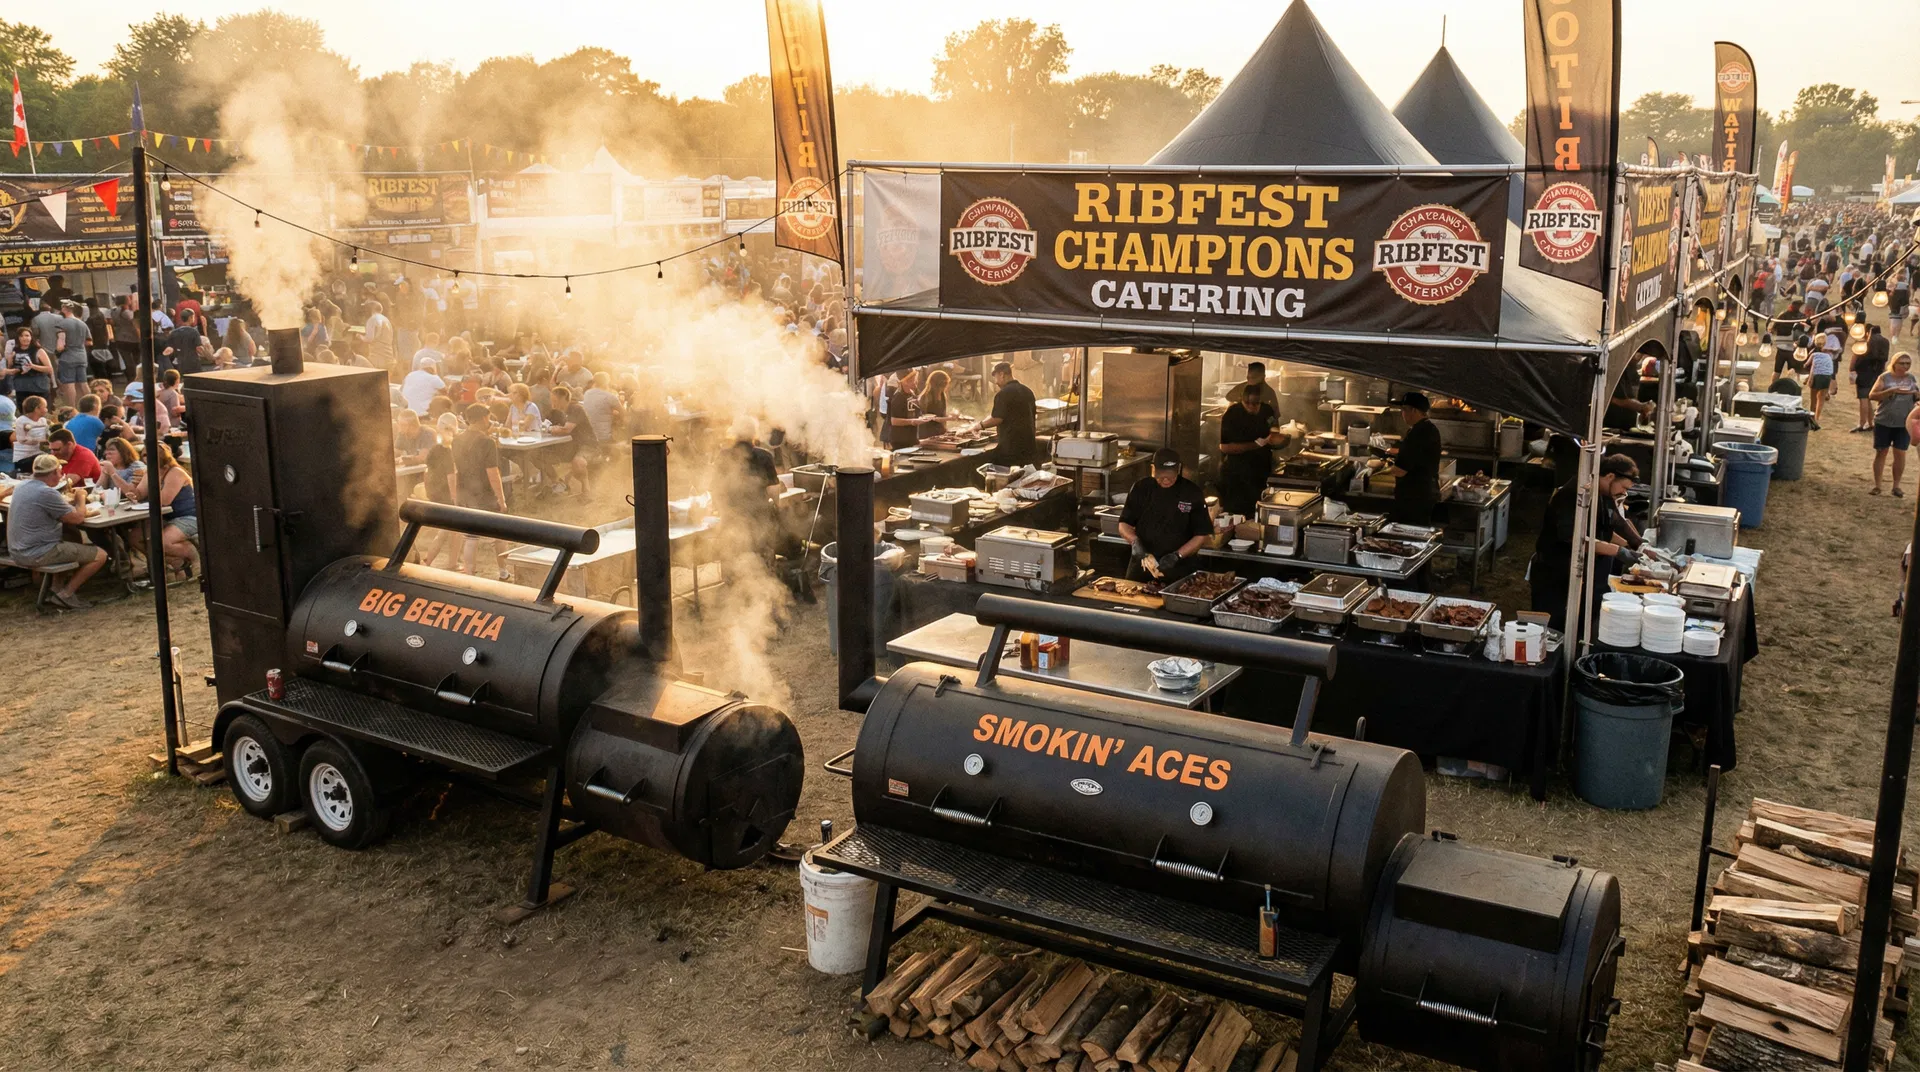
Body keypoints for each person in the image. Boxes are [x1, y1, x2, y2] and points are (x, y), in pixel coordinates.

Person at [1529, 453, 1641, 630]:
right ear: (1610, 476)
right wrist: (1618, 551)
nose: (1624, 492)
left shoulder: (1603, 493)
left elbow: (1612, 524)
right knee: (1551, 628)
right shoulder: (1574, 494)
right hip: (1554, 571)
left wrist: (1637, 544)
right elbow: (1575, 538)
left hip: (1580, 571)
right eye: (1623, 487)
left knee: (1579, 626)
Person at [5, 453, 108, 608]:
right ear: (54, 473)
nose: (61, 475)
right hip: (36, 553)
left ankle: (56, 587)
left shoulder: (22, 486)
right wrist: (80, 497)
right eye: (60, 471)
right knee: (100, 555)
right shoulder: (46, 492)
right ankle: (65, 595)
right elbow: (77, 518)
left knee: (71, 536)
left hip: (18, 549)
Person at [1117, 449, 1212, 583]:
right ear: (1153, 469)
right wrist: (1135, 542)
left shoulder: (1192, 493)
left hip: (1180, 567)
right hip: (1142, 564)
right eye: (1161, 475)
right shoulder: (1141, 488)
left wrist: (1177, 555)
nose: (1166, 479)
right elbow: (1124, 523)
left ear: (1178, 469)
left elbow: (1201, 535)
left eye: (1171, 475)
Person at [1369, 392, 1443, 525]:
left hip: (1414, 498)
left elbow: (1400, 470)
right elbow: (1415, 455)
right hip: (1426, 493)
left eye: (1404, 410)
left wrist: (1378, 470)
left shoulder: (1417, 433)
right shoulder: (1430, 428)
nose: (1402, 414)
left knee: (1411, 531)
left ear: (1414, 410)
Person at [451, 404, 508, 573]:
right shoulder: (487, 442)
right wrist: (501, 499)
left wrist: (456, 495)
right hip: (484, 493)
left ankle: (469, 573)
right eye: (488, 418)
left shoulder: (456, 440)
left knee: (471, 536)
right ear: (484, 418)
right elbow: (493, 472)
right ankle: (503, 572)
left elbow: (455, 469)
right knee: (500, 535)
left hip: (464, 491)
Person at [1217, 382, 1286, 516]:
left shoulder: (1267, 410)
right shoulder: (1231, 414)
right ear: (1242, 400)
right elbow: (1224, 447)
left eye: (1255, 404)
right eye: (1247, 403)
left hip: (1261, 471)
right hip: (1237, 474)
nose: (1251, 407)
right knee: (1237, 512)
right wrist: (1255, 445)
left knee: (1260, 510)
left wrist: (1275, 436)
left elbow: (1274, 426)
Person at [1868, 352, 1919, 497]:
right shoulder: (1885, 377)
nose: (1905, 366)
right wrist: (1890, 391)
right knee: (1881, 452)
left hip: (1903, 422)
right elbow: (1872, 395)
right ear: (1894, 363)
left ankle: (1896, 486)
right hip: (1884, 420)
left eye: (1908, 363)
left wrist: (1916, 395)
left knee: (1900, 453)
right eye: (1902, 363)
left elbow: (1916, 396)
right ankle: (1877, 485)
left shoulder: (1911, 378)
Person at [981, 361, 1037, 465]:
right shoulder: (1027, 391)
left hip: (1011, 448)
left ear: (1002, 374)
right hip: (1029, 446)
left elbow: (997, 418)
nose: (995, 382)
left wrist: (979, 426)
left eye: (995, 377)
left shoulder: (1003, 394)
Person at [543, 385, 597, 493]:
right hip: (570, 446)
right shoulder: (557, 412)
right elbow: (549, 426)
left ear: (564, 398)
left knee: (578, 462)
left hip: (587, 445)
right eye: (552, 400)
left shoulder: (575, 408)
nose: (553, 404)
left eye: (555, 400)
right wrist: (551, 428)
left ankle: (586, 490)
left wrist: (550, 429)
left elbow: (566, 429)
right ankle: (559, 483)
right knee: (541, 456)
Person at [1853, 325, 1892, 433]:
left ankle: (1862, 423)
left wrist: (1855, 368)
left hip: (1865, 372)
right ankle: (1871, 423)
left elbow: (1859, 358)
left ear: (1869, 332)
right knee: (1870, 398)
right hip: (1878, 372)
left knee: (1863, 398)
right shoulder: (1885, 342)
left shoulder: (1867, 342)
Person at [55, 300, 91, 407]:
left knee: (69, 384)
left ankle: (72, 407)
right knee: (83, 383)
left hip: (68, 357)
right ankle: (91, 405)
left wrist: (57, 351)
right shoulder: (82, 324)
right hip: (82, 356)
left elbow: (60, 345)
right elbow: (89, 342)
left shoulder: (62, 324)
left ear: (64, 309)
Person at [8, 324, 54, 404]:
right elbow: (10, 369)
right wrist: (10, 361)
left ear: (31, 337)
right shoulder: (15, 350)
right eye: (21, 336)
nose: (24, 338)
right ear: (18, 338)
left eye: (27, 335)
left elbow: (49, 369)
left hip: (38, 386)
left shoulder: (38, 350)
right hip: (21, 387)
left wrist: (32, 366)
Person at [882, 369, 927, 449]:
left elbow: (915, 413)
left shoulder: (912, 394)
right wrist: (912, 422)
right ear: (905, 382)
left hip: (912, 438)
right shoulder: (898, 396)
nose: (916, 382)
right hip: (901, 440)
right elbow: (894, 421)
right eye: (913, 380)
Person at [581, 371, 625, 442]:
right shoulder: (609, 396)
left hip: (589, 435)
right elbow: (623, 413)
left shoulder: (587, 393)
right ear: (606, 382)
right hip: (605, 436)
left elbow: (597, 409)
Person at [12, 394, 49, 473]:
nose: (47, 410)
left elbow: (45, 436)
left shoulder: (43, 420)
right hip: (24, 456)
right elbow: (22, 440)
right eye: (45, 407)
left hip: (38, 453)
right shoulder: (22, 421)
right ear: (37, 409)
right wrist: (39, 441)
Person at [363, 300, 396, 369]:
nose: (365, 311)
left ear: (371, 309)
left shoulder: (372, 319)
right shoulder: (386, 319)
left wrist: (358, 336)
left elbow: (369, 339)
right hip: (388, 355)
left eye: (366, 308)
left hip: (377, 357)